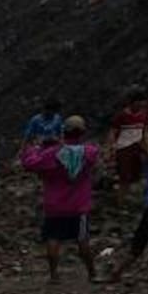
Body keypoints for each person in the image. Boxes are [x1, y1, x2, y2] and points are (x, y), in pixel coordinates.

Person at [20, 115, 99, 282]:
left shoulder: (52, 154)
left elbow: (29, 163)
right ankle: (92, 273)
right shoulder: (89, 152)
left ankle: (54, 275)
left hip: (55, 205)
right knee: (82, 239)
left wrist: (36, 148)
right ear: (83, 132)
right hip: (79, 205)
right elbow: (95, 153)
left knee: (53, 238)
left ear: (64, 131)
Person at [109, 160, 148, 282]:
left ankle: (118, 271)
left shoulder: (147, 163)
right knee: (139, 242)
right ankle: (118, 271)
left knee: (139, 242)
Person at [106, 89, 148, 203]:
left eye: (143, 102)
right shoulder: (122, 116)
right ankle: (120, 200)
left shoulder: (144, 115)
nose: (142, 104)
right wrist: (111, 147)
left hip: (138, 148)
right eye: (139, 101)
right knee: (124, 177)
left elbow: (144, 132)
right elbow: (113, 132)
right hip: (124, 148)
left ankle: (128, 198)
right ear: (132, 102)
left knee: (136, 175)